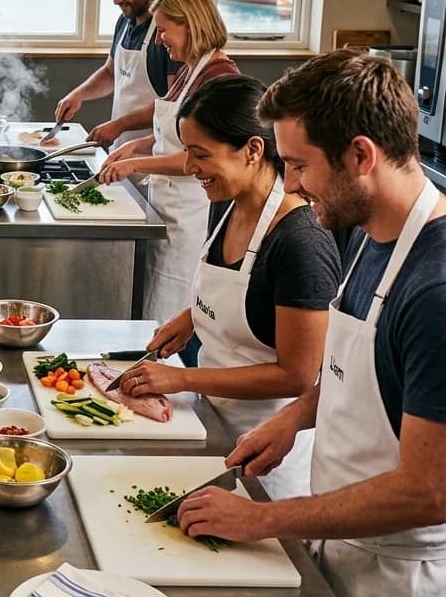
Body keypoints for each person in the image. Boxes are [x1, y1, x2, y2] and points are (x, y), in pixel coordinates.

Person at [175, 50, 446, 597]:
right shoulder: (372, 236)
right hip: (336, 542)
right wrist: (295, 417)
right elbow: (361, 372)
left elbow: (430, 490)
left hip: (395, 574)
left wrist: (264, 520)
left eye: (299, 165)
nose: (292, 185)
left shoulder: (435, 292)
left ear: (360, 156)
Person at [121, 74, 339, 499]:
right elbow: (247, 301)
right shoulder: (229, 206)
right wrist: (192, 318)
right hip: (214, 428)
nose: (188, 168)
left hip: (267, 463)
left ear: (253, 150)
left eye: (200, 154)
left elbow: (296, 375)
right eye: (187, 152)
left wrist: (182, 379)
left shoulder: (300, 242)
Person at [98, 0, 240, 324]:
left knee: (172, 311)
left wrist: (135, 162)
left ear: (189, 26)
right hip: (165, 208)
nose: (159, 39)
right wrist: (135, 144)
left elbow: (198, 160)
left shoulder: (218, 79)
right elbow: (171, 132)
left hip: (191, 216)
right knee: (155, 307)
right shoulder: (190, 69)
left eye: (163, 30)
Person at [54, 0, 180, 150]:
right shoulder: (125, 20)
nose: (115, 0)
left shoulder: (169, 31)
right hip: (121, 151)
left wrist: (119, 125)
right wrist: (78, 94)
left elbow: (172, 106)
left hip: (154, 156)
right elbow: (112, 73)